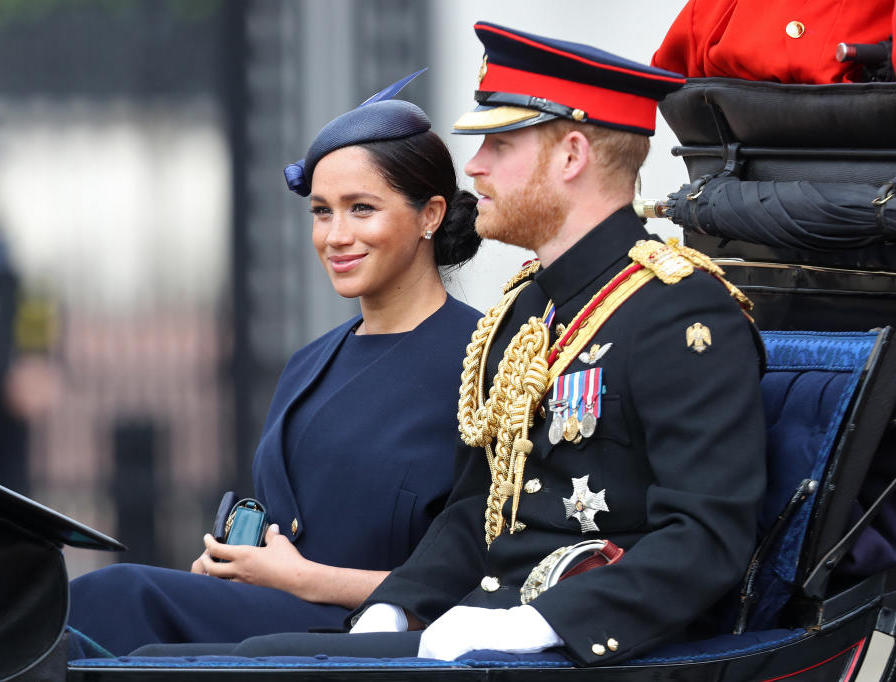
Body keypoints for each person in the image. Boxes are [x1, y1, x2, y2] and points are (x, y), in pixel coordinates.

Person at [135, 22, 767, 667]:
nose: (475, 166)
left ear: (572, 155)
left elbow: (705, 535)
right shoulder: (528, 307)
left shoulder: (679, 310)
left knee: (225, 663)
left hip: (587, 650)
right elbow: (477, 508)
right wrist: (396, 606)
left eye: (499, 142)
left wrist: (545, 624)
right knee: (154, 656)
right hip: (478, 632)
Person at [67, 71, 483, 656]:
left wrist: (300, 578)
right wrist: (233, 567)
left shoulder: (481, 359)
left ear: (430, 215)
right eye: (321, 212)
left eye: (361, 209)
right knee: (86, 614)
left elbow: (487, 585)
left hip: (373, 644)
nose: (336, 236)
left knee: (119, 597)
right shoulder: (310, 362)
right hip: (274, 625)